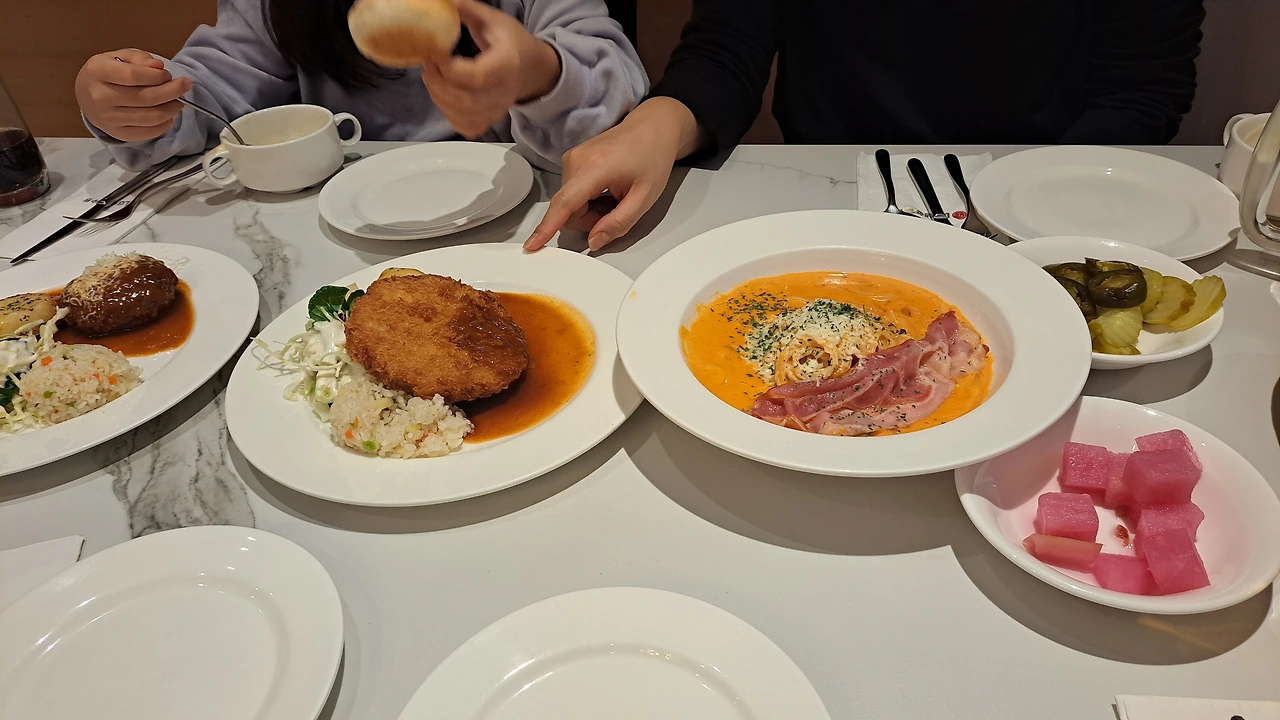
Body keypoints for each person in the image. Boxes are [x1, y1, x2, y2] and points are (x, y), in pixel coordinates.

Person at [526, 0, 1205, 251]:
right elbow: (727, 46)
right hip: (831, 191)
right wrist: (655, 125)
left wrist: (1034, 206)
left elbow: (1142, 89)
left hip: (1044, 202)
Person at [74, 0, 647, 171]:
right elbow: (213, 95)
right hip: (335, 230)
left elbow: (616, 91)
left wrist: (536, 72)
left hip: (529, 215)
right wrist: (135, 99)